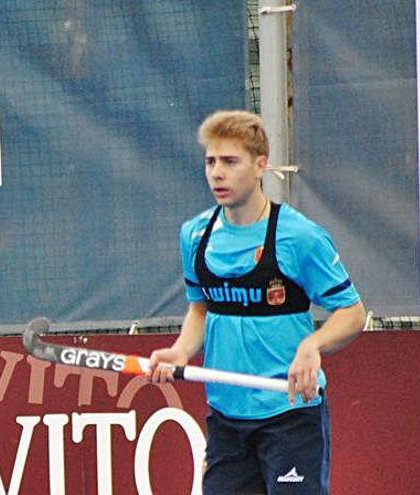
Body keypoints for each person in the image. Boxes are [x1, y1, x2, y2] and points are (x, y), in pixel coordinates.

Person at [148, 110, 366, 494]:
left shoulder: (299, 236)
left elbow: (352, 313)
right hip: (226, 418)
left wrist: (312, 345)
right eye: (211, 161)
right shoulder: (195, 235)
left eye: (230, 162)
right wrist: (181, 351)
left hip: (290, 415)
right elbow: (201, 308)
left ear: (260, 165)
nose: (217, 173)